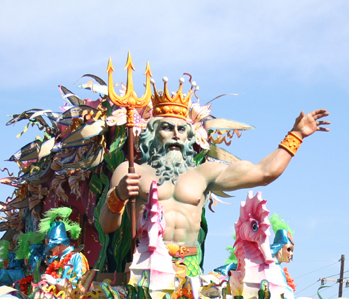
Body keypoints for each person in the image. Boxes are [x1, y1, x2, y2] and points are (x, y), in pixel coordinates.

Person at [100, 87, 329, 276]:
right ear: (152, 133)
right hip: (143, 267)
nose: (176, 135)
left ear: (189, 137)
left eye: (182, 129)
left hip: (188, 269)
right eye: (167, 128)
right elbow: (107, 225)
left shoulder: (203, 173)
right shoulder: (131, 172)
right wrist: (118, 196)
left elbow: (264, 173)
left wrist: (296, 135)